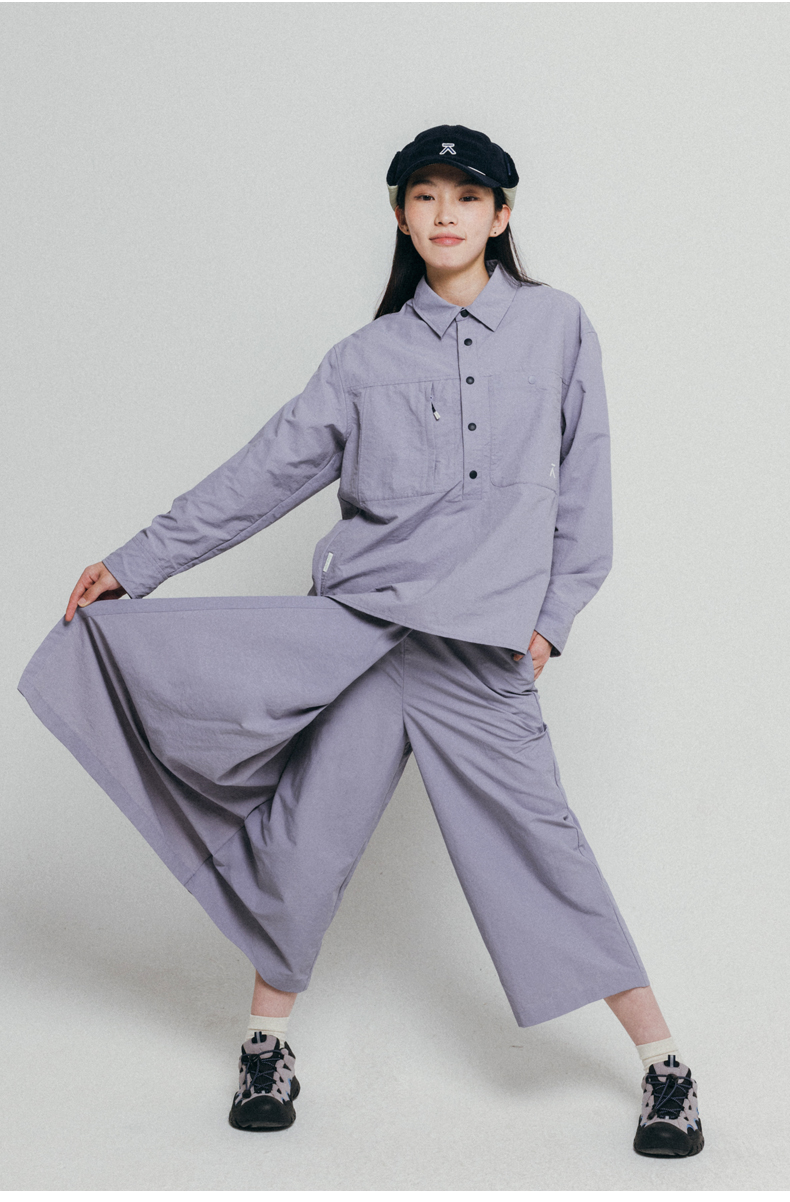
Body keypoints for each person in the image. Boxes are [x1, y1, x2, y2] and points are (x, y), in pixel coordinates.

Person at [18, 124, 703, 1157]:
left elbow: (586, 483)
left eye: (465, 197)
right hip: (357, 641)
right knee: (304, 841)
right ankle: (265, 1045)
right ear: (398, 214)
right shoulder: (363, 358)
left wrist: (550, 623)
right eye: (424, 196)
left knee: (546, 851)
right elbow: (261, 473)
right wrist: (138, 560)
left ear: (501, 215)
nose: (444, 214)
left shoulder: (558, 326)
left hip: (478, 653)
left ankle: (664, 1066)